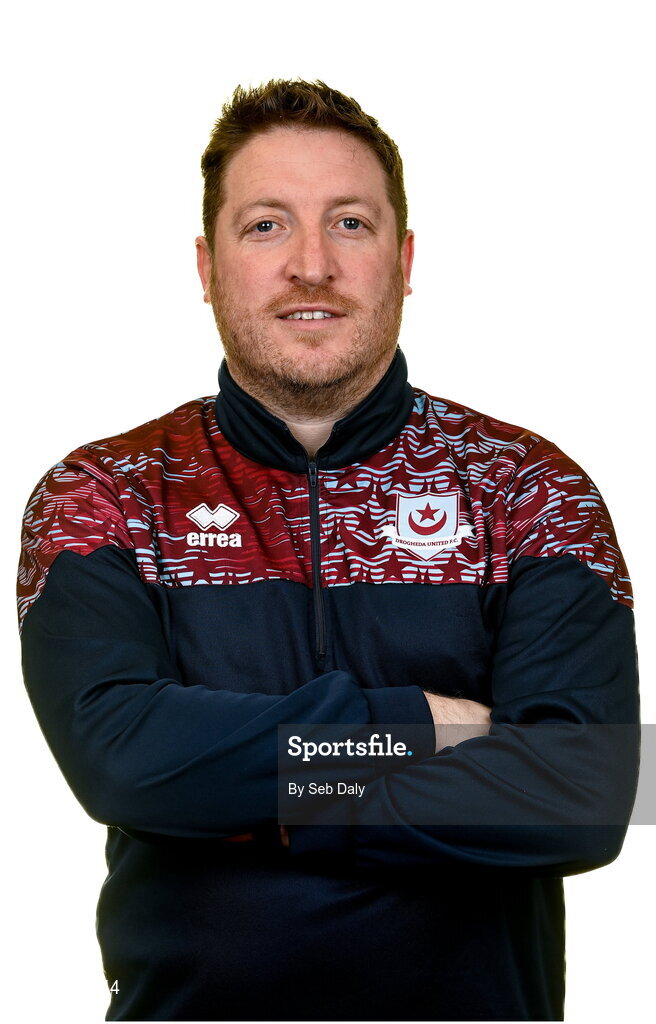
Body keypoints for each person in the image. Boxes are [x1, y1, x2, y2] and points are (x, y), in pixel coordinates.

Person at [17, 78, 640, 1022]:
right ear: (207, 263)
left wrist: (245, 785)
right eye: (266, 225)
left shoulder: (530, 489)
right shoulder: (104, 497)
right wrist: (422, 725)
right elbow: (123, 763)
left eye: (349, 223)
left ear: (404, 258)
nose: (312, 264)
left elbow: (584, 790)